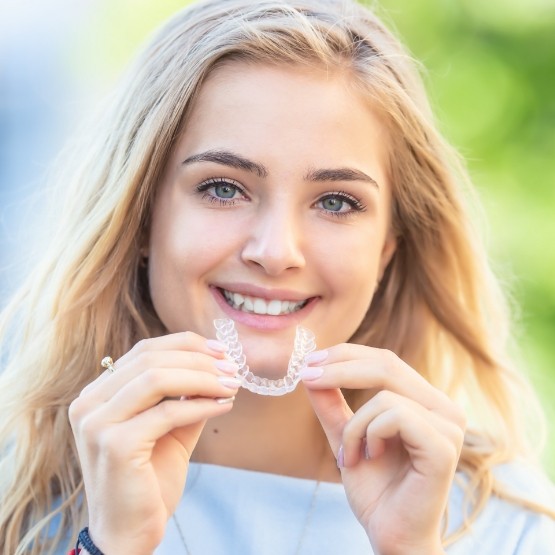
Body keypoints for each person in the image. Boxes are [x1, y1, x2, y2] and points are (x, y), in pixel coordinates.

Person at [1, 0, 554, 553]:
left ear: (387, 248)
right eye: (223, 188)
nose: (275, 251)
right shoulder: (19, 510)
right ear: (141, 218)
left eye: (335, 202)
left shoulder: (514, 529)